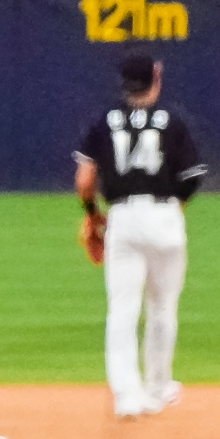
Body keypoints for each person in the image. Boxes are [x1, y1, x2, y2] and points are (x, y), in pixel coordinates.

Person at [75, 51, 207, 419]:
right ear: (156, 77)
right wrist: (173, 208)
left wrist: (92, 216)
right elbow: (193, 177)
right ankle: (158, 388)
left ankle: (126, 397)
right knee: (163, 307)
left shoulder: (103, 121)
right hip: (164, 216)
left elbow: (84, 180)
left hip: (121, 217)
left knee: (122, 308)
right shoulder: (173, 121)